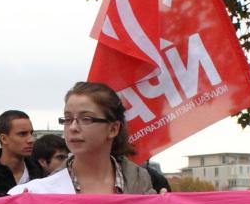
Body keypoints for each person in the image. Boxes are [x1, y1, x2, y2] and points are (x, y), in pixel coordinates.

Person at [10, 82, 157, 195]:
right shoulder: (39, 191)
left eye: (86, 119)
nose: (73, 127)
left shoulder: (140, 182)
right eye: (67, 119)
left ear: (113, 129)